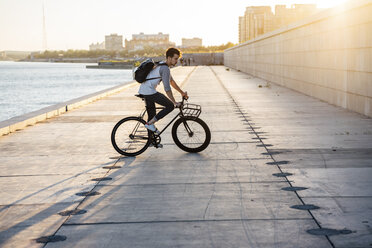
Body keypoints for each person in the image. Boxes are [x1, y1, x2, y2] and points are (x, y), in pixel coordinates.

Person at [138, 47, 188, 134]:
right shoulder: (165, 69)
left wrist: (182, 93)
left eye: (178, 59)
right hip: (149, 91)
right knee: (170, 106)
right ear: (169, 58)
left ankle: (151, 140)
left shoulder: (162, 65)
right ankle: (150, 124)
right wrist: (174, 102)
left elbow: (171, 81)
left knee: (152, 115)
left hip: (145, 90)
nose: (177, 61)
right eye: (175, 59)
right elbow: (167, 88)